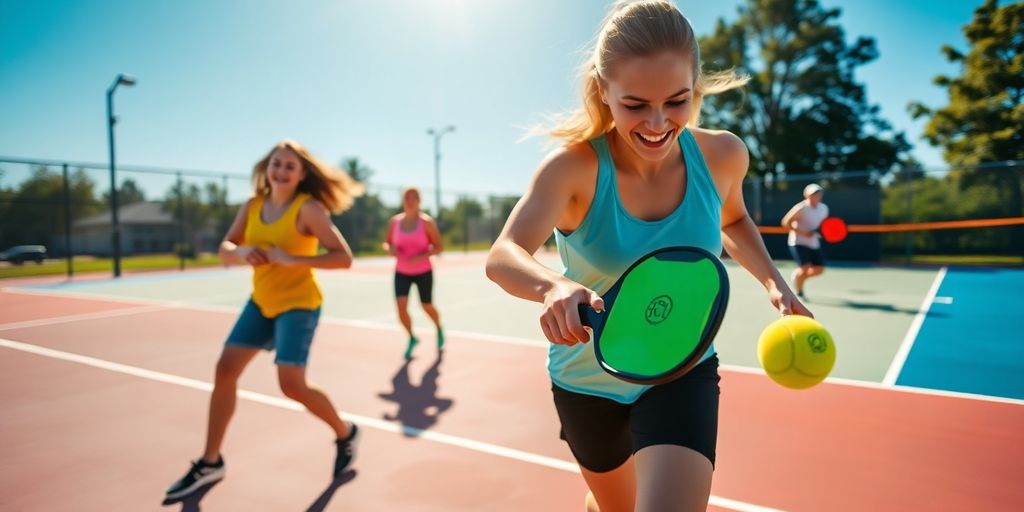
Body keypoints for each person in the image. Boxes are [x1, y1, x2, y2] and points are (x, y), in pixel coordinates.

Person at [484, 2, 812, 511]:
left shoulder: (724, 155)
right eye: (635, 104)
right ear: (603, 92)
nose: (658, 123)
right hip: (585, 380)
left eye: (677, 101)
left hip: (681, 369)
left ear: (695, 88)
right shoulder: (572, 169)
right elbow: (503, 254)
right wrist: (552, 285)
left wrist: (775, 283)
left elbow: (734, 220)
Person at [165, 140, 364, 500]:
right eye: (277, 163)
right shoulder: (252, 205)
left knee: (291, 385)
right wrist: (240, 251)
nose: (282, 170)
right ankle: (210, 462)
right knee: (225, 369)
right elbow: (226, 250)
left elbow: (343, 258)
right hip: (261, 302)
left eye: (290, 166)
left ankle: (345, 432)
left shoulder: (309, 210)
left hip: (298, 304)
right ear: (267, 168)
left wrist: (293, 259)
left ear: (302, 174)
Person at [382, 187, 444, 360]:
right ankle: (411, 337)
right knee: (401, 308)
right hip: (402, 271)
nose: (410, 201)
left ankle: (439, 327)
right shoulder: (394, 222)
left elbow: (439, 246)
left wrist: (420, 257)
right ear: (403, 201)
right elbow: (386, 243)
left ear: (419, 201)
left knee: (426, 305)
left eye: (414, 198)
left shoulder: (426, 222)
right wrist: (390, 249)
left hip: (423, 271)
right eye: (407, 198)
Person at [781, 183, 829, 299]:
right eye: (813, 194)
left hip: (813, 243)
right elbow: (785, 222)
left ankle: (798, 276)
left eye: (818, 193)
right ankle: (799, 291)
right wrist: (803, 232)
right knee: (805, 267)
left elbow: (823, 226)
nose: (816, 196)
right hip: (798, 242)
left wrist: (821, 233)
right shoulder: (801, 208)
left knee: (819, 269)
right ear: (806, 195)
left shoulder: (824, 208)